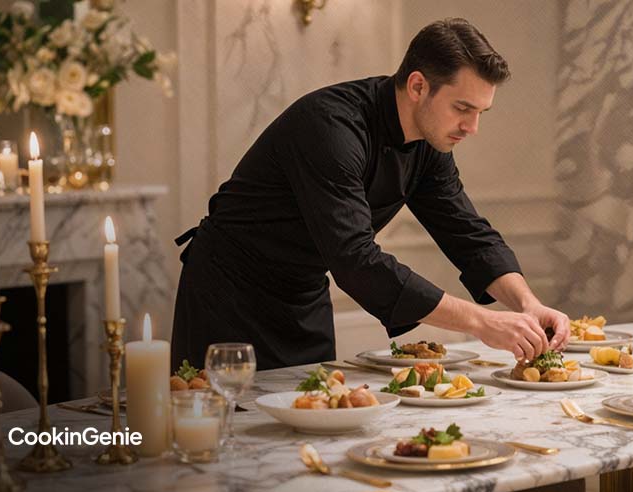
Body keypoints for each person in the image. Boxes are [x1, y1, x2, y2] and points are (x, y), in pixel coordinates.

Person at [172, 18, 569, 370]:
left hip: (303, 296)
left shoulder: (430, 143)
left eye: (481, 112)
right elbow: (355, 258)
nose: (472, 127)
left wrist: (527, 305)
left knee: (308, 431)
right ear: (418, 86)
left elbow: (466, 231)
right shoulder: (330, 128)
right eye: (462, 108)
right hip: (228, 295)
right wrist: (482, 322)